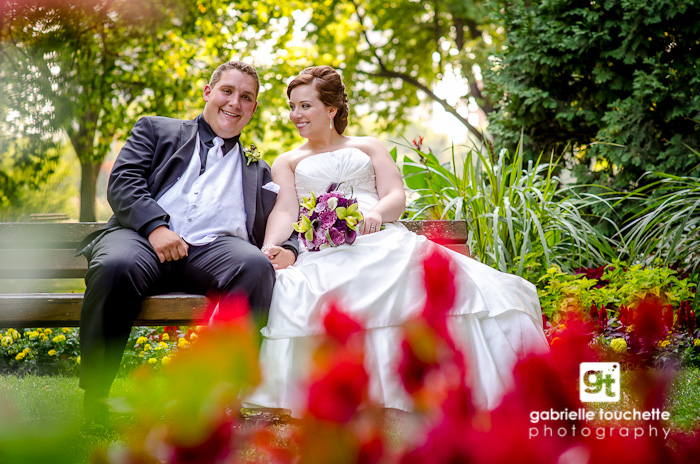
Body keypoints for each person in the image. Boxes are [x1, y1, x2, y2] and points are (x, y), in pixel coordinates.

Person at [243, 66, 549, 416]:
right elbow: (285, 210)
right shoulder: (288, 160)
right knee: (299, 288)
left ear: (330, 110)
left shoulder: (367, 146)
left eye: (305, 106)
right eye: (292, 107)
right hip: (323, 247)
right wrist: (270, 247)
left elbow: (395, 195)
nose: (295, 115)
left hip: (378, 237)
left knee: (426, 279)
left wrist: (376, 214)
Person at [76, 61, 298, 424]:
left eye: (246, 97)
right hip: (142, 241)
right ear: (208, 92)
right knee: (115, 266)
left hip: (212, 252)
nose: (235, 103)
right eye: (227, 91)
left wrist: (290, 249)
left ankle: (223, 397)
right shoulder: (156, 129)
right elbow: (124, 181)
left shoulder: (258, 168)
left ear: (253, 108)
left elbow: (284, 216)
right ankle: (96, 396)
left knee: (256, 266)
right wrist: (155, 227)